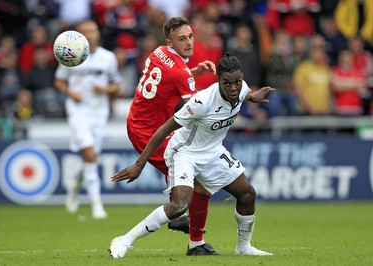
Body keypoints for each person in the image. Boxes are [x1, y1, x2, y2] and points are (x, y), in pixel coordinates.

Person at [109, 53, 274, 258]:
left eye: (237, 82)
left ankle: (243, 248)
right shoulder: (201, 102)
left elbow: (244, 92)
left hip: (212, 151)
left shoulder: (242, 89)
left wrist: (252, 96)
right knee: (179, 206)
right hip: (184, 152)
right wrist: (139, 164)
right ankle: (125, 240)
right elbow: (163, 129)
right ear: (218, 81)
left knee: (247, 193)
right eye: (227, 83)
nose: (233, 88)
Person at [54, 19, 121, 219]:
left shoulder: (108, 58)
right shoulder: (70, 54)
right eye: (85, 31)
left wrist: (105, 89)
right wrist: (70, 93)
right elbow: (59, 81)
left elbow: (117, 85)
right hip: (78, 111)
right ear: (79, 35)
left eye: (92, 30)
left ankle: (74, 185)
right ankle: (96, 205)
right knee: (90, 153)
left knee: (91, 157)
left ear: (98, 33)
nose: (90, 34)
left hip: (99, 113)